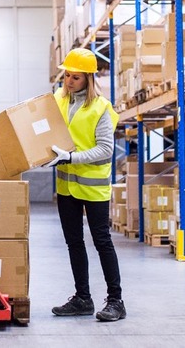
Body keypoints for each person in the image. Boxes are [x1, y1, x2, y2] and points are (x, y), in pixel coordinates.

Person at [45, 48, 125, 322]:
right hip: (66, 186)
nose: (68, 81)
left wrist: (71, 157)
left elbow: (105, 149)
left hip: (93, 187)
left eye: (75, 77)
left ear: (88, 79)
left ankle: (116, 301)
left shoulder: (101, 107)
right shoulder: (58, 100)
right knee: (74, 242)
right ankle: (82, 298)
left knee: (102, 241)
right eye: (66, 75)